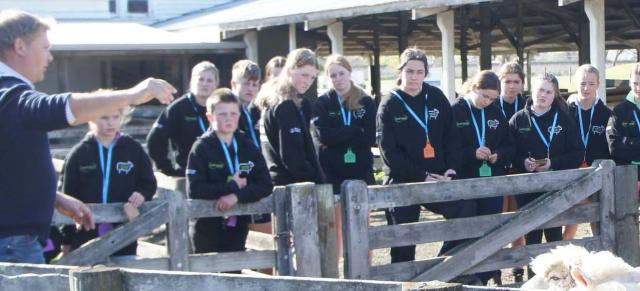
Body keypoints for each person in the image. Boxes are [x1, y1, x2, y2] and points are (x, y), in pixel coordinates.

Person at [0, 10, 174, 263]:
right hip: (12, 244)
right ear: (20, 46)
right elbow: (60, 108)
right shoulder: (11, 97)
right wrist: (131, 95)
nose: (50, 57)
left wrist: (53, 196)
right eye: (45, 47)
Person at [377, 47, 465, 263]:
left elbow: (452, 137)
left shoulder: (436, 97)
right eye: (409, 71)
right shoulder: (389, 103)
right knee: (403, 245)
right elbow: (389, 153)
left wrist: (451, 168)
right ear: (400, 72)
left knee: (465, 209)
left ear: (426, 73)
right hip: (403, 181)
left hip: (438, 177)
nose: (414, 77)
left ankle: (440, 269)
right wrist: (421, 175)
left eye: (419, 72)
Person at [186, 88, 273, 260]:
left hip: (237, 224)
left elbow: (265, 184)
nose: (228, 118)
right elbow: (195, 190)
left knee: (233, 275)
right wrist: (231, 186)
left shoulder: (247, 146)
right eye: (222, 114)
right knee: (205, 280)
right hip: (206, 226)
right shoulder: (201, 148)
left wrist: (236, 196)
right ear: (210, 117)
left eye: (233, 114)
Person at [60, 106, 156, 257]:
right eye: (104, 118)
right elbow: (67, 195)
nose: (110, 123)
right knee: (88, 274)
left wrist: (142, 193)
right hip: (86, 229)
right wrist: (66, 239)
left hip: (124, 229)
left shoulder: (133, 149)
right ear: (91, 119)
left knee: (125, 273)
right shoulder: (79, 153)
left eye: (115, 117)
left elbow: (149, 182)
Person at [311, 54, 376, 259]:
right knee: (336, 225)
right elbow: (323, 135)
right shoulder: (322, 103)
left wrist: (340, 134)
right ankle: (339, 273)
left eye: (341, 73)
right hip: (332, 172)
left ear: (350, 73)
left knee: (362, 224)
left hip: (361, 170)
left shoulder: (366, 101)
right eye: (333, 75)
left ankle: (366, 269)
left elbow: (369, 138)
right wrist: (354, 130)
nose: (338, 78)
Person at [452, 70, 514, 285]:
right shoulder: (456, 111)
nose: (487, 101)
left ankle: (484, 276)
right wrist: (471, 153)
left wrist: (499, 155)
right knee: (466, 228)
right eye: (484, 96)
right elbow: (448, 149)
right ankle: (458, 274)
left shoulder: (496, 113)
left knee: (491, 229)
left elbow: (509, 145)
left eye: (492, 98)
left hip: (491, 180)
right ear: (474, 88)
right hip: (465, 180)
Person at [509, 73, 581, 254]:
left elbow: (577, 154)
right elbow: (508, 153)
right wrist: (523, 162)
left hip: (555, 187)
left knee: (554, 236)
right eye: (540, 90)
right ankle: (532, 279)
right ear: (532, 91)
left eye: (549, 92)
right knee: (531, 237)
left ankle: (555, 281)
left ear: (554, 96)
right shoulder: (518, 119)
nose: (543, 95)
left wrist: (553, 163)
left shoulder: (564, 119)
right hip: (528, 188)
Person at [257, 48, 323, 185]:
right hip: (291, 186)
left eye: (312, 77)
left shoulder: (273, 98)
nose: (308, 82)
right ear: (289, 70)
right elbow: (292, 158)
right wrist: (316, 176)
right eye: (304, 75)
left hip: (276, 179)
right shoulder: (285, 105)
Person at [147, 61, 218, 176]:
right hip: (190, 174)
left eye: (209, 80)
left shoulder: (221, 107)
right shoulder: (177, 108)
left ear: (216, 85)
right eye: (200, 79)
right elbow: (154, 139)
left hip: (219, 173)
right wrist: (166, 168)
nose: (204, 84)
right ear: (191, 82)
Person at [564, 65, 611, 240]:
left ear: (598, 85)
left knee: (597, 221)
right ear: (575, 83)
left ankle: (601, 257)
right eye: (582, 83)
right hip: (571, 172)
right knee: (571, 219)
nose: (586, 88)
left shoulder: (606, 113)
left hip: (597, 173)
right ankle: (565, 257)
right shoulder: (564, 112)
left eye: (591, 84)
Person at [230, 60, 272, 235]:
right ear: (234, 84)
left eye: (255, 84)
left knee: (265, 237)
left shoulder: (256, 111)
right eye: (246, 83)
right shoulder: (228, 110)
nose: (250, 88)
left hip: (258, 177)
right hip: (237, 177)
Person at [497, 62, 527, 282]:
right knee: (498, 218)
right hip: (496, 168)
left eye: (516, 81)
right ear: (500, 82)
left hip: (518, 168)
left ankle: (517, 266)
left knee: (518, 218)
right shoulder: (491, 105)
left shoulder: (527, 106)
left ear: (522, 84)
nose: (511, 85)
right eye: (507, 81)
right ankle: (494, 267)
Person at [607, 63, 640, 191]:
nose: (638, 88)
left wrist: (629, 141)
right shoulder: (619, 111)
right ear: (630, 82)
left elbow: (624, 144)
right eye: (635, 83)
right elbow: (614, 147)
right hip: (628, 175)